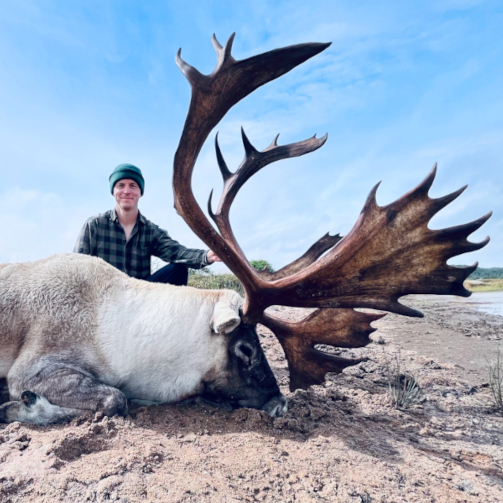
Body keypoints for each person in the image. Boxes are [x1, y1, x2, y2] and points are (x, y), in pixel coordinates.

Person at [74, 163, 220, 285]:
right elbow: (76, 268)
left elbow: (177, 252)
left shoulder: (150, 231)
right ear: (113, 191)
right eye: (120, 185)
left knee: (178, 269)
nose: (126, 191)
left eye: (133, 185)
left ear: (140, 192)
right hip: (103, 301)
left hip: (140, 301)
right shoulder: (94, 225)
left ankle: (167, 319)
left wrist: (207, 256)